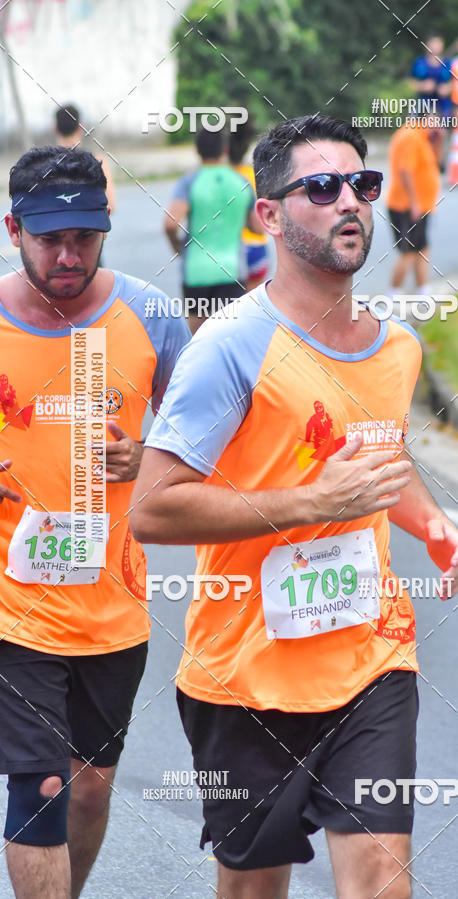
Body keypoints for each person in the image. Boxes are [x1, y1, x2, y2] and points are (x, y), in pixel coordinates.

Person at [130, 114, 458, 899]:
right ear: (270, 215)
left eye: (363, 183)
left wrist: (432, 523)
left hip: (370, 658)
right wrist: (308, 502)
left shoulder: (397, 347)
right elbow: (153, 508)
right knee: (254, 887)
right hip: (245, 674)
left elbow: (384, 457)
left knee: (384, 882)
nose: (349, 200)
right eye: (321, 186)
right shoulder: (231, 347)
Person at [0, 146, 189, 897]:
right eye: (51, 238)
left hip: (113, 607)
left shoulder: (152, 315)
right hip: (14, 607)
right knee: (39, 787)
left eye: (85, 236)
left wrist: (151, 456)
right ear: (15, 228)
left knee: (88, 786)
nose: (69, 254)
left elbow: (205, 442)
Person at [164, 126, 263, 334]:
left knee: (199, 340)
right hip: (233, 271)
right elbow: (258, 228)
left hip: (196, 272)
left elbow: (171, 223)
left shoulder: (190, 182)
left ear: (197, 151)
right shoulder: (241, 182)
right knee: (231, 339)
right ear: (224, 149)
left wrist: (178, 248)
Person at [386, 112, 441, 295]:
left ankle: (423, 290)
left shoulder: (422, 136)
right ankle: (394, 292)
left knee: (422, 248)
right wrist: (415, 202)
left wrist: (439, 140)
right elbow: (405, 170)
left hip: (422, 205)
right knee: (409, 251)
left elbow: (436, 165)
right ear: (423, 118)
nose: (437, 124)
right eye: (434, 120)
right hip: (407, 206)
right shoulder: (411, 135)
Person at [228, 118, 271, 289]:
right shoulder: (254, 175)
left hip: (229, 251)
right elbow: (260, 226)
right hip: (256, 248)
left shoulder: (220, 178)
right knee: (249, 308)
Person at [54, 104, 117, 211]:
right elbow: (110, 206)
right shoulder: (97, 162)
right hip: (87, 224)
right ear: (80, 128)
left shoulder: (44, 163)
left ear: (56, 129)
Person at [410, 35, 453, 165]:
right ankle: (426, 159)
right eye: (433, 44)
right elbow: (411, 82)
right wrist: (423, 86)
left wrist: (447, 88)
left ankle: (439, 160)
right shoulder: (420, 63)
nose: (436, 47)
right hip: (425, 102)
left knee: (441, 132)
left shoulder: (447, 63)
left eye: (438, 44)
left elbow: (454, 83)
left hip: (443, 103)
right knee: (426, 130)